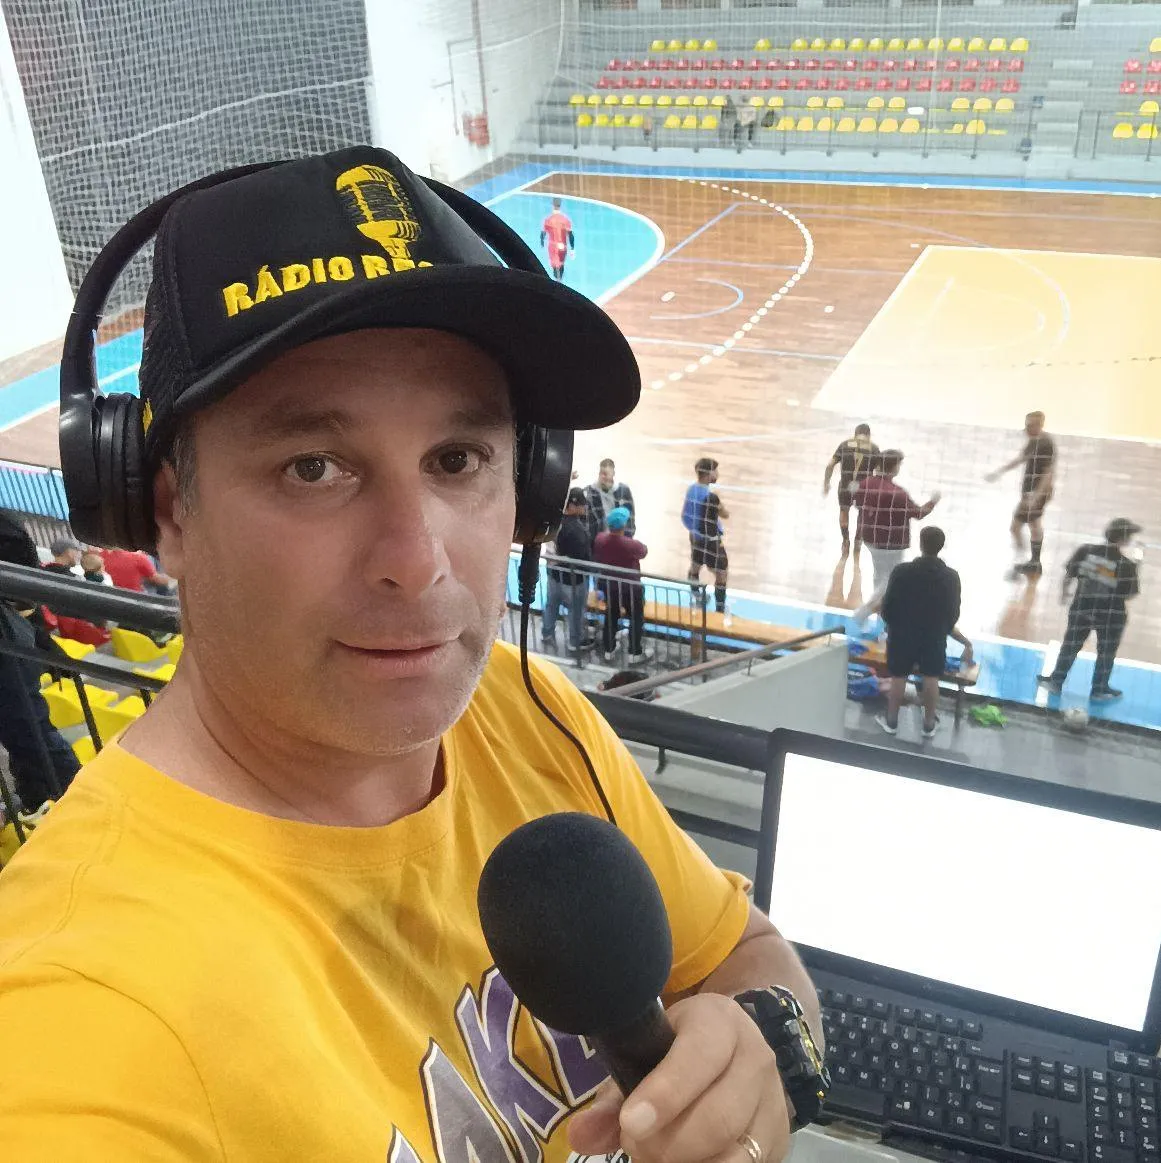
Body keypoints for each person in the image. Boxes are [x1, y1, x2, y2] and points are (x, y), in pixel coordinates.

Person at [0, 147, 820, 1161]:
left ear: (528, 480)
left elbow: (744, 951)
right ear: (165, 510)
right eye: (314, 467)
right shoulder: (79, 1025)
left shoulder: (522, 709)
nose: (417, 560)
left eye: (457, 459)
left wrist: (764, 1046)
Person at [0, 511, 80, 812]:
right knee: (29, 729)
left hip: (12, 641)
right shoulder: (9, 530)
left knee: (25, 730)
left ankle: (41, 796)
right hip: (10, 647)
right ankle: (74, 800)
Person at [876, 526, 971, 739]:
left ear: (920, 544)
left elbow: (887, 605)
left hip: (902, 633)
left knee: (898, 676)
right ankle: (928, 725)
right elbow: (953, 611)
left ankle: (891, 722)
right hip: (933, 636)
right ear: (941, 547)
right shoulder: (951, 577)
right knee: (931, 677)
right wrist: (942, 629)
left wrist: (892, 625)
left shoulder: (901, 571)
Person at [1038, 518, 1142, 701]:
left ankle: (1056, 681)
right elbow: (1130, 594)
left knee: (1071, 645)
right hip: (1111, 616)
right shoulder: (1126, 564)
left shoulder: (1085, 550)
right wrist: (1137, 568)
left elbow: (1069, 574)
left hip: (1082, 608)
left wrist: (1064, 593)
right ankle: (1099, 689)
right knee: (1106, 652)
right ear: (1124, 539)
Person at [851, 450, 940, 624]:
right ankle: (864, 612)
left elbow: (856, 502)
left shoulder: (865, 484)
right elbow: (918, 513)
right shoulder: (898, 493)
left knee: (879, 575)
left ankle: (880, 612)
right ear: (895, 467)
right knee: (889, 579)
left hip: (870, 538)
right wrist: (933, 502)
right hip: (891, 544)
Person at [985, 410, 1055, 577]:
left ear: (1039, 425)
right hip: (1030, 493)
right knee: (1032, 525)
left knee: (1018, 527)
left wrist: (1036, 496)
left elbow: (1048, 473)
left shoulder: (1045, 444)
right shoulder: (1034, 441)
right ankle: (1033, 562)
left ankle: (1026, 560)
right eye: (1026, 425)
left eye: (1030, 425)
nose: (1026, 428)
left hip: (1035, 494)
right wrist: (999, 472)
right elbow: (1021, 458)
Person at [593, 506, 651, 663]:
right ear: (624, 525)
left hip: (610, 586)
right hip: (631, 588)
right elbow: (644, 551)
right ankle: (635, 652)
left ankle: (609, 649)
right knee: (636, 618)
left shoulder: (600, 539)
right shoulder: (631, 545)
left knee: (611, 616)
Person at [543, 487, 595, 652]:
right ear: (572, 506)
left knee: (551, 605)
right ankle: (575, 641)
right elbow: (584, 558)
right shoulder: (577, 530)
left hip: (553, 575)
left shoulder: (554, 521)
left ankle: (547, 633)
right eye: (581, 505)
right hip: (573, 580)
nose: (584, 507)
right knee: (575, 611)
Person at [682, 456, 730, 614]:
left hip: (695, 537)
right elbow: (725, 514)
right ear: (709, 474)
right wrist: (719, 505)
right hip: (711, 541)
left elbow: (684, 516)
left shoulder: (691, 490)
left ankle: (697, 596)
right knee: (721, 574)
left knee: (695, 567)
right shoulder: (711, 497)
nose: (717, 474)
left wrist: (693, 531)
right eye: (715, 471)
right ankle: (720, 610)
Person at [822, 423, 880, 550]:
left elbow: (830, 465)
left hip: (845, 486)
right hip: (864, 488)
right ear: (869, 435)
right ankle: (858, 541)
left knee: (844, 511)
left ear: (855, 433)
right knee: (863, 513)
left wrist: (826, 483)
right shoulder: (874, 448)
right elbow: (879, 471)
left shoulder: (844, 445)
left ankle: (845, 540)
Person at [584, 456, 636, 541]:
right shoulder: (589, 492)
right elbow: (586, 522)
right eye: (601, 473)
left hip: (621, 539)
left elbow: (630, 517)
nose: (603, 477)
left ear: (613, 474)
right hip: (598, 542)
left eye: (606, 474)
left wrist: (627, 540)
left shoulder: (623, 490)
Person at [101, 546, 173, 593]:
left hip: (111, 597)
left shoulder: (100, 555)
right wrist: (175, 578)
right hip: (136, 599)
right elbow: (159, 580)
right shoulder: (138, 558)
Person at [540, 196, 574, 282]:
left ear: (553, 205)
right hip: (563, 246)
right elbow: (570, 235)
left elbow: (543, 234)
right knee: (561, 264)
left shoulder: (548, 219)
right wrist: (572, 248)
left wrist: (542, 243)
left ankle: (557, 280)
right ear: (560, 205)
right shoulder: (565, 220)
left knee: (555, 266)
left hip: (552, 246)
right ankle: (560, 279)